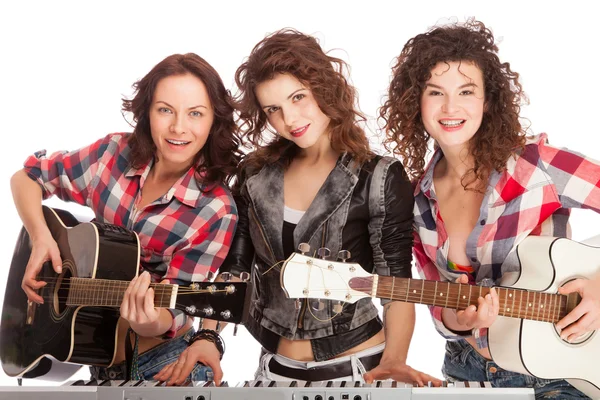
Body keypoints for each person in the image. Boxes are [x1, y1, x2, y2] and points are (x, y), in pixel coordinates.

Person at [155, 28, 441, 386]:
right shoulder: (255, 174)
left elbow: (395, 284)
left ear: (324, 88)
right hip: (273, 369)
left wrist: (396, 360)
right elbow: (236, 268)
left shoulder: (379, 177)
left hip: (360, 367)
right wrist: (208, 337)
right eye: (273, 109)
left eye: (298, 97)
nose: (289, 119)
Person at [380, 19, 600, 398]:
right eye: (436, 92)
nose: (451, 107)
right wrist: (461, 320)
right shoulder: (416, 200)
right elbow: (439, 304)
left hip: (560, 375)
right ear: (416, 101)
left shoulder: (538, 167)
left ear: (488, 99)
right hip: (467, 373)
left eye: (466, 91)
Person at [10, 53, 241, 382]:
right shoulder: (112, 155)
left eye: (195, 114)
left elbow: (172, 312)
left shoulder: (215, 210)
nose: (178, 127)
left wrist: (149, 321)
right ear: (147, 112)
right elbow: (28, 177)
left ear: (214, 121)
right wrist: (40, 237)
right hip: (95, 366)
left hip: (162, 364)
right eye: (165, 110)